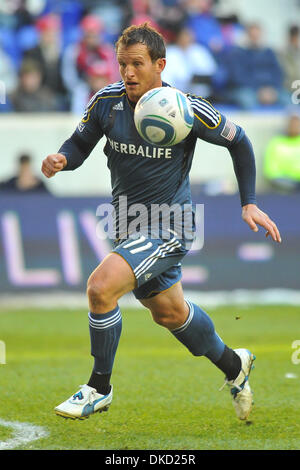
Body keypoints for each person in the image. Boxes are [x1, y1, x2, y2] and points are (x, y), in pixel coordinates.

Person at [42, 23, 281, 422]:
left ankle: (98, 387)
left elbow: (239, 140)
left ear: (160, 64)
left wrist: (249, 203)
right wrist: (62, 159)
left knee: (101, 289)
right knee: (170, 313)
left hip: (170, 225)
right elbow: (80, 143)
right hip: (128, 223)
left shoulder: (187, 108)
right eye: (122, 64)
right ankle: (233, 365)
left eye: (137, 64)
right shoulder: (106, 102)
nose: (128, 73)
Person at [264, 113, 300, 192]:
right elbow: (271, 171)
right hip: (284, 183)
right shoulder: (276, 142)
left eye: (297, 124)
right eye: (292, 124)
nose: (294, 126)